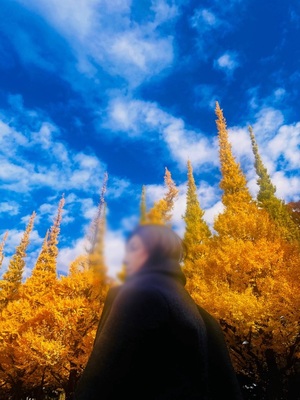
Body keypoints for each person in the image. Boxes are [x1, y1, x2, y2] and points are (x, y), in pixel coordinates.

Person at [73, 223, 243, 400]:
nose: (125, 259)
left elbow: (101, 377)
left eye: (133, 248)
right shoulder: (206, 319)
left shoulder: (139, 292)